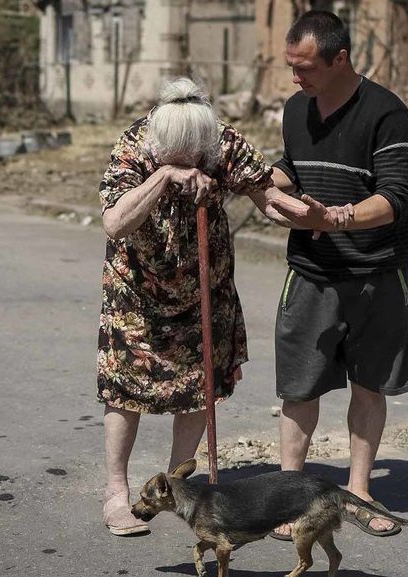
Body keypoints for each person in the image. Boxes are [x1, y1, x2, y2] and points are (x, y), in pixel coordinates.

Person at [96, 77, 281, 536]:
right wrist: (162, 177)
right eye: (174, 155)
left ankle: (178, 488)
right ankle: (116, 492)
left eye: (193, 155)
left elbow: (269, 199)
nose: (187, 161)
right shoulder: (136, 145)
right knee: (126, 389)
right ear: (158, 142)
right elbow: (115, 222)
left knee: (202, 388)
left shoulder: (222, 143)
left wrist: (321, 215)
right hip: (138, 293)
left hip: (205, 291)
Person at [265, 10, 408, 539]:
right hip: (310, 271)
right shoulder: (295, 108)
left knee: (368, 385)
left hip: (376, 272)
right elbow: (293, 166)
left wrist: (332, 218)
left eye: (305, 66)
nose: (295, 77)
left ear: (340, 59)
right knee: (299, 388)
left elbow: (395, 198)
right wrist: (269, 188)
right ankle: (289, 495)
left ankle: (359, 490)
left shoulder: (387, 114)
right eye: (291, 65)